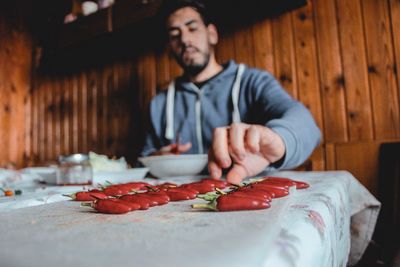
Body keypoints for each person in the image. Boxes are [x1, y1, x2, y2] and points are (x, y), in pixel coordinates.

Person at [140, 0, 321, 184]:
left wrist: (279, 141)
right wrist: (158, 156)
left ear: (212, 34)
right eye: (174, 34)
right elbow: (146, 155)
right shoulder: (159, 103)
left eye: (192, 28)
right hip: (180, 201)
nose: (185, 40)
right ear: (170, 46)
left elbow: (305, 123)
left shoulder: (253, 82)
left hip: (246, 193)